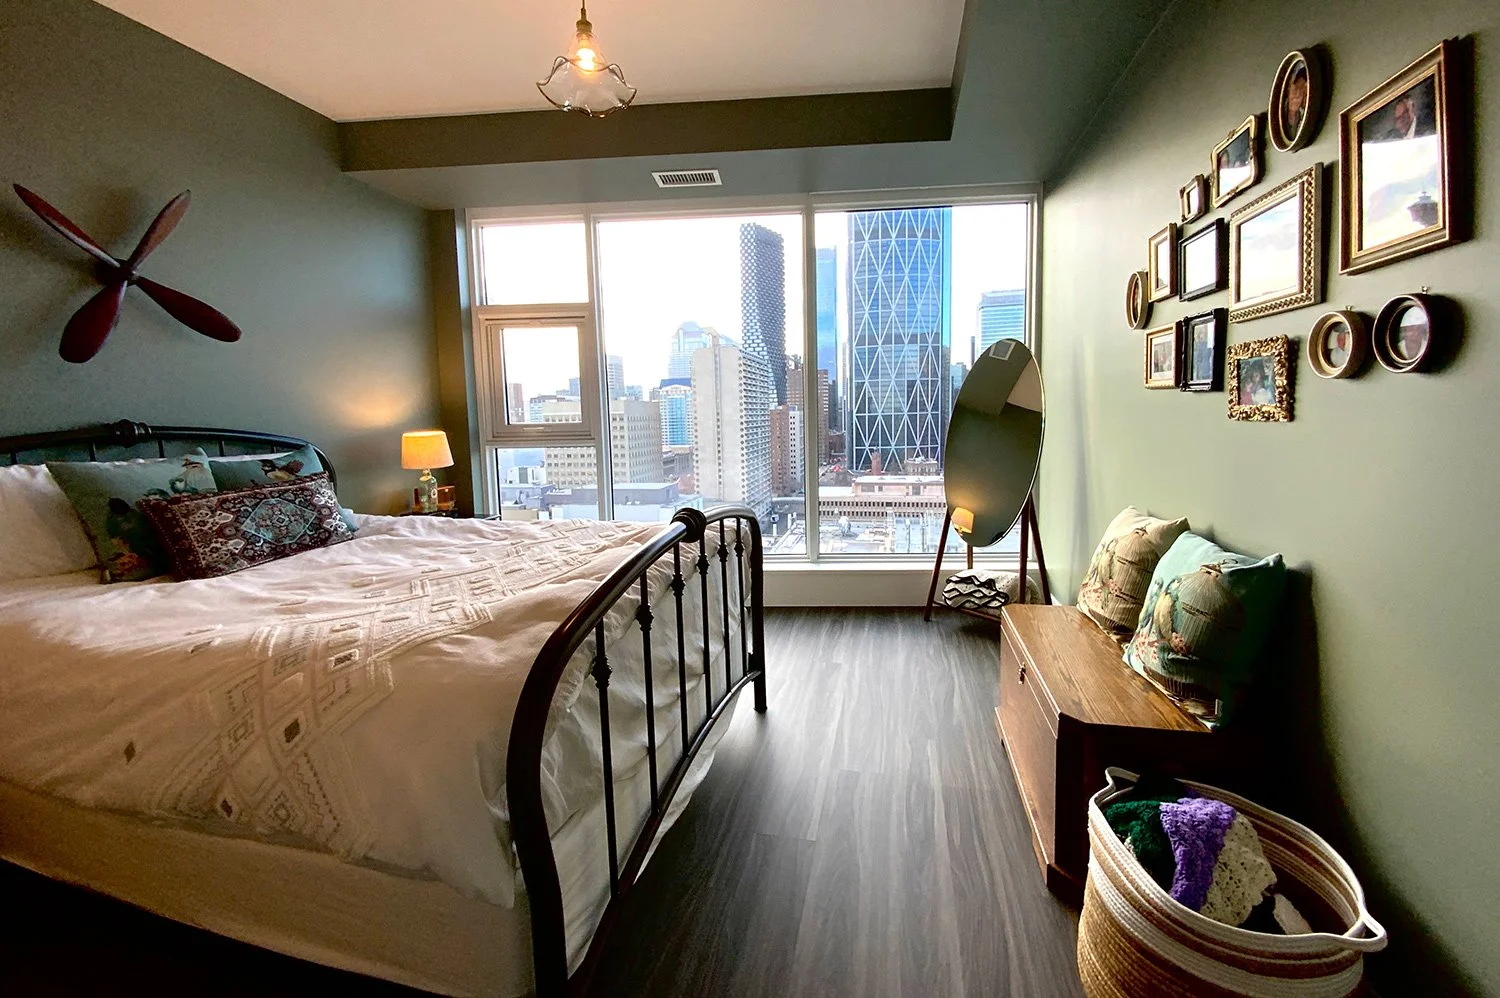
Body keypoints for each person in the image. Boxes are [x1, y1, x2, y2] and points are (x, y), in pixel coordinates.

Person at [1283, 64, 1309, 135]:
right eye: (1296, 88)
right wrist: (1292, 112)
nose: (1298, 94)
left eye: (1304, 91)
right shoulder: (1280, 110)